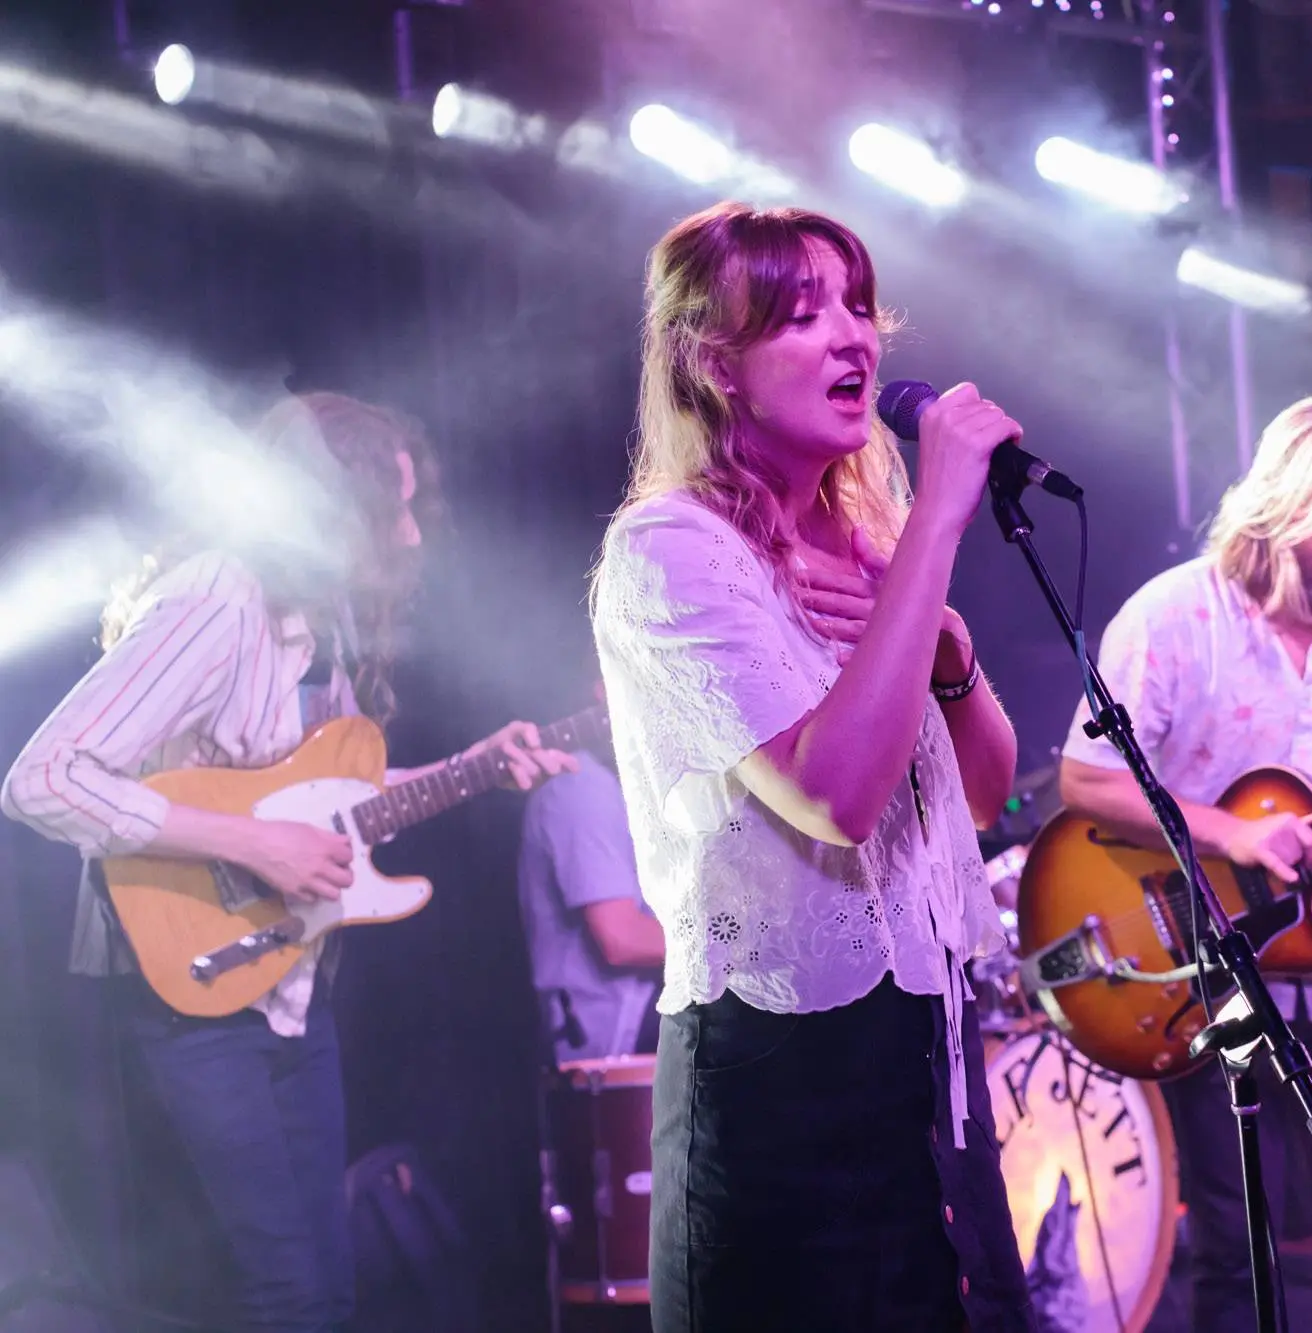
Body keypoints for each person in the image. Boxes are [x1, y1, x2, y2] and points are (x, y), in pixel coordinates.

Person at [1, 391, 575, 1333]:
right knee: (288, 1297)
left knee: (324, 1293)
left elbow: (327, 796)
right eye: (386, 510)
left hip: (290, 984)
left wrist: (476, 769)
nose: (411, 535)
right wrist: (252, 841)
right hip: (195, 985)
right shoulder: (216, 598)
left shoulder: (316, 615)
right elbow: (43, 776)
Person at [588, 200, 1032, 1333]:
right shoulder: (673, 552)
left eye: (857, 306)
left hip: (920, 1067)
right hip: (777, 1079)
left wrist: (948, 649)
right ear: (711, 363)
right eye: (800, 316)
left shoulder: (870, 543)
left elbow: (979, 795)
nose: (853, 339)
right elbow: (833, 799)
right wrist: (938, 519)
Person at [1058, 390, 1312, 1333]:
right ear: (1281, 512)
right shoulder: (1172, 619)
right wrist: (1229, 831)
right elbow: (1086, 782)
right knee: (1233, 1247)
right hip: (1208, 977)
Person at [517, 680, 663, 1063]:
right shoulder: (579, 783)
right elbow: (621, 939)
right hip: (616, 1035)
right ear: (603, 690)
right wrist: (748, 949)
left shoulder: (638, 786)